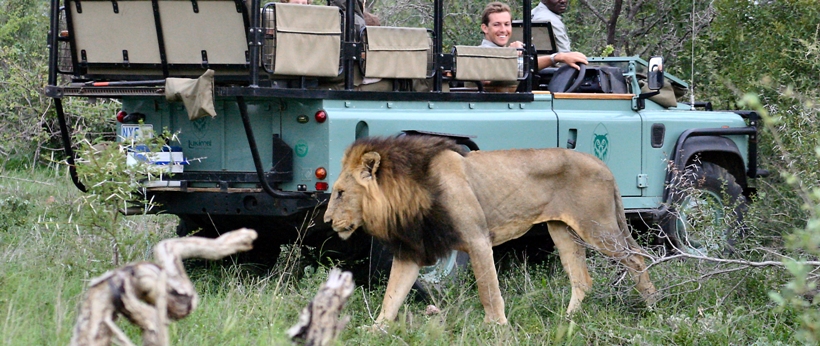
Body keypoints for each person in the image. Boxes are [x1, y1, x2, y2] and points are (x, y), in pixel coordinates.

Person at [480, 2, 586, 70]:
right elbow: (517, 69)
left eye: (507, 24)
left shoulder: (504, 52)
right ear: (485, 28)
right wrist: (557, 57)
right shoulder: (481, 54)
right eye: (496, 25)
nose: (503, 30)